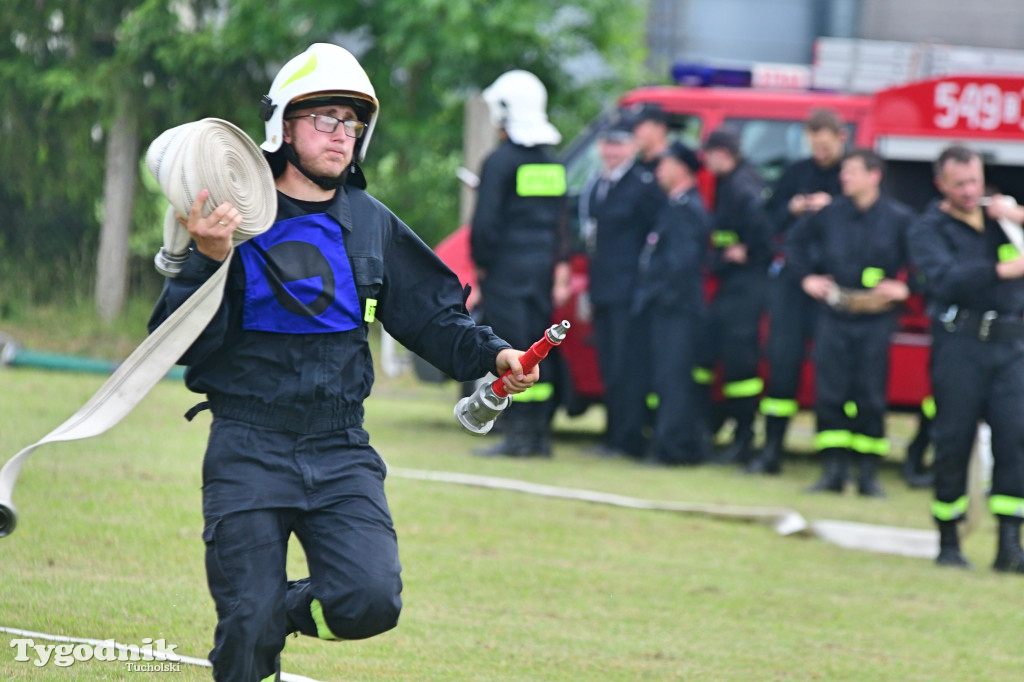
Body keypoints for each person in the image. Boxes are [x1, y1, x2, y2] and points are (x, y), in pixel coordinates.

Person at [148, 43, 540, 681]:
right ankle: (256, 628)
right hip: (249, 444)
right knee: (245, 632)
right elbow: (176, 343)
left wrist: (495, 354)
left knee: (369, 602)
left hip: (340, 448)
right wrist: (210, 258)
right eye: (324, 119)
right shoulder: (227, 222)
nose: (341, 135)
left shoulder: (368, 223)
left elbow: (435, 316)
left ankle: (276, 614)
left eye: (352, 122)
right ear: (283, 126)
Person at [907, 144, 1024, 572]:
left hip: (1010, 346)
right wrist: (1001, 270)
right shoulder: (928, 229)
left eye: (975, 180)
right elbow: (945, 280)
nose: (970, 190)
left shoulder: (1001, 220)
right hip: (961, 346)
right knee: (953, 441)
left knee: (1015, 439)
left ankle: (1010, 545)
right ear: (942, 185)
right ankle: (949, 540)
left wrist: (1016, 217)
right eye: (960, 184)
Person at [786, 148, 914, 496]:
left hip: (876, 318)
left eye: (852, 172)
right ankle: (832, 471)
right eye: (844, 172)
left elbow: (928, 263)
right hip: (834, 313)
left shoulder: (899, 218)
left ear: (874, 176)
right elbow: (794, 243)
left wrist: (906, 287)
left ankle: (868, 475)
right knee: (830, 392)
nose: (845, 178)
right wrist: (806, 279)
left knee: (870, 395)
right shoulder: (830, 215)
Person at [470, 70, 571, 458]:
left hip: (506, 272)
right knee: (539, 347)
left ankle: (518, 438)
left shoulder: (500, 162)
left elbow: (485, 223)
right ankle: (539, 435)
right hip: (541, 272)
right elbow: (563, 222)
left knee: (512, 350)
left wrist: (481, 263)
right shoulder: (552, 163)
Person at [749, 108, 848, 474]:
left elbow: (865, 223)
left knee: (833, 372)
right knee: (782, 364)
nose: (819, 153)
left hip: (834, 286)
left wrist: (832, 208)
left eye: (826, 146)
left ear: (842, 138)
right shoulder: (797, 173)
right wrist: (793, 207)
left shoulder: (851, 176)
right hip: (792, 283)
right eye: (814, 146)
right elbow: (767, 223)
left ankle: (834, 461)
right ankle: (771, 448)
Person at [581, 117, 665, 458]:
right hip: (603, 288)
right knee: (609, 367)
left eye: (619, 144)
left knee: (627, 368)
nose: (612, 151)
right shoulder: (598, 183)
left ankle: (628, 438)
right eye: (607, 144)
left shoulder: (643, 186)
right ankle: (612, 434)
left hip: (629, 292)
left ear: (632, 147)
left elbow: (657, 238)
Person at [693, 128, 771, 465]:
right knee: (711, 354)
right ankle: (710, 427)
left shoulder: (744, 187)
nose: (706, 163)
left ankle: (744, 437)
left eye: (709, 155)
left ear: (722, 153)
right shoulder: (731, 182)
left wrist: (748, 251)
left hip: (746, 288)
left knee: (741, 364)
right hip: (731, 285)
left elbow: (766, 235)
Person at [633, 141, 711, 465]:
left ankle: (673, 449)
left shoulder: (687, 210)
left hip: (677, 312)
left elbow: (681, 264)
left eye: (664, 164)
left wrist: (659, 296)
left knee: (674, 380)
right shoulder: (674, 206)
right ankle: (669, 443)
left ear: (682, 168)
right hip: (668, 310)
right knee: (665, 379)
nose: (658, 170)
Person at [630, 103, 670, 172]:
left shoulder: (672, 165)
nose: (635, 130)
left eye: (640, 125)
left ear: (660, 128)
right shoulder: (633, 165)